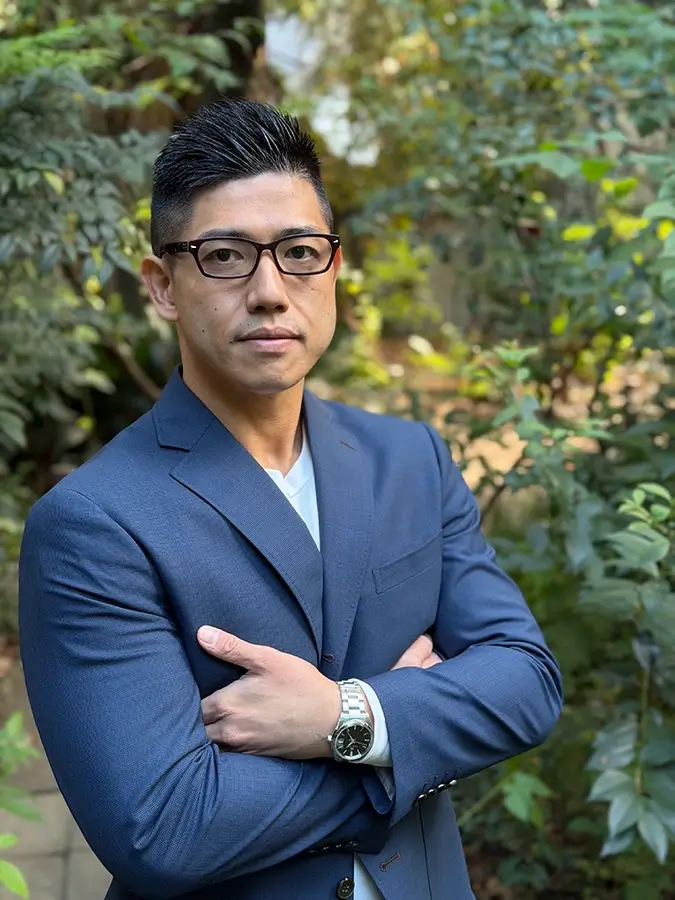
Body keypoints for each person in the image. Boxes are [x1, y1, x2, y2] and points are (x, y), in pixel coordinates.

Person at [18, 98, 563, 900]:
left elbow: (525, 683)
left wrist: (345, 716)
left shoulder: (408, 459)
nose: (271, 290)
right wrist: (406, 744)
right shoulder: (94, 522)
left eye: (300, 252)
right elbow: (165, 829)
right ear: (162, 287)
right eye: (225, 256)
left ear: (333, 269)